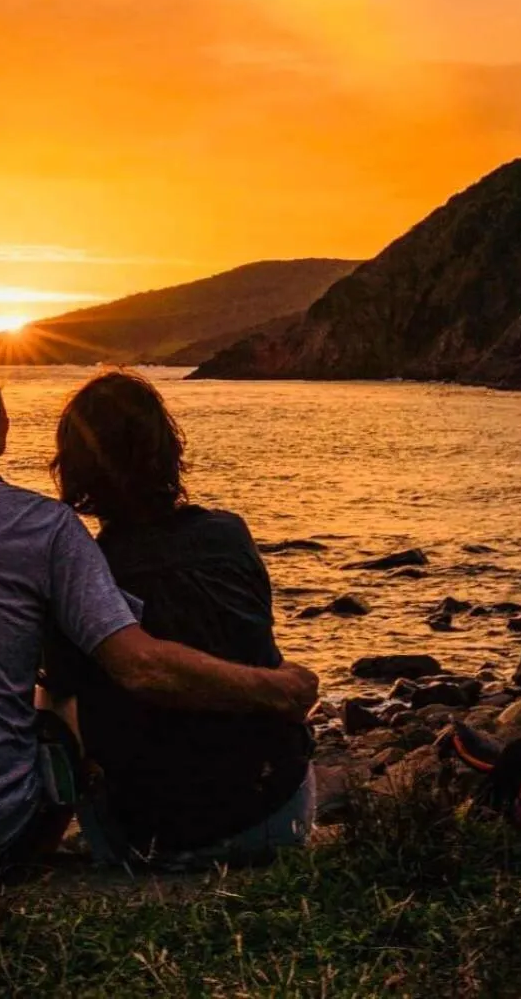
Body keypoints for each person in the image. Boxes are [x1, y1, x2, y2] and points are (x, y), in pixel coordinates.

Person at [0, 356, 318, 881]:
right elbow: (141, 668)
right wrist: (278, 688)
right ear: (1, 435)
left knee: (56, 688)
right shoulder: (48, 527)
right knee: (56, 703)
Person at [46, 370, 316, 867]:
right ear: (168, 450)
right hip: (276, 814)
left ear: (76, 469)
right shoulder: (231, 535)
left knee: (57, 697)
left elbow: (62, 697)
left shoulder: (87, 569)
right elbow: (254, 637)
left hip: (152, 838)